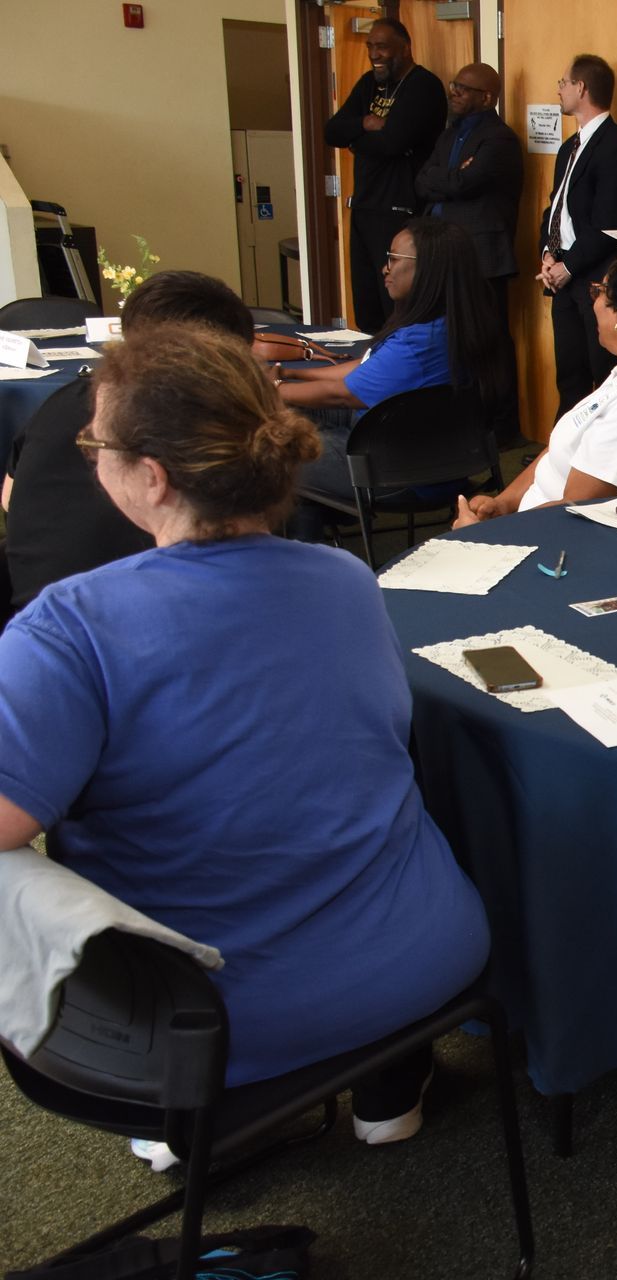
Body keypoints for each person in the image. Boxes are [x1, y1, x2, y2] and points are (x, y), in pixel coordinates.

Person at [0, 325, 490, 1162]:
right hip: (420, 956)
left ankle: (192, 1127)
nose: (89, 458)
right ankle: (390, 1087)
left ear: (152, 476)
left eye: (95, 444)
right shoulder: (349, 580)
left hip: (214, 1014)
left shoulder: (70, 629)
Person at [3, 271, 252, 612]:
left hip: (32, 609)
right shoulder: (199, 419)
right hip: (128, 619)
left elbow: (10, 499)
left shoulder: (61, 401)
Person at [455, 237, 617, 525]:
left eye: (600, 292)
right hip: (533, 522)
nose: (594, 302)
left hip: (552, 539)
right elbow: (563, 448)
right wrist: (504, 503)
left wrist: (483, 534)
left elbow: (577, 511)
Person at [277, 217, 511, 530]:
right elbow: (366, 370)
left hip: (400, 474)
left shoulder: (418, 343)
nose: (384, 268)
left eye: (393, 259)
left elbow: (341, 394)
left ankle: (309, 533)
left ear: (428, 269)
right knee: (295, 420)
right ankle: (317, 523)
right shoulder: (457, 325)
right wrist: (291, 374)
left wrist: (271, 387)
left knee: (267, 445)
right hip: (448, 459)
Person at [323, 17, 446, 329]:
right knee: (366, 308)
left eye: (382, 47)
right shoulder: (369, 84)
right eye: (370, 47)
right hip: (365, 206)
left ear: (404, 49)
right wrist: (364, 124)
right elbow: (332, 131)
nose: (374, 54)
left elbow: (393, 142)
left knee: (396, 307)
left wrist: (356, 142)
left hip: (400, 210)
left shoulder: (423, 86)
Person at [539, 53, 617, 411]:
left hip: (594, 277)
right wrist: (548, 255)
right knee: (570, 376)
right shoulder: (569, 147)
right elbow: (555, 208)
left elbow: (610, 224)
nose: (559, 89)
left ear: (581, 88)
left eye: (563, 83)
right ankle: (565, 444)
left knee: (603, 374)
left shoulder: (616, 148)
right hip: (562, 274)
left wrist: (568, 267)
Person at [415, 62, 524, 328]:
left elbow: (464, 184)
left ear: (486, 98)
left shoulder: (500, 139)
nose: (453, 92)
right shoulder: (449, 135)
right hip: (440, 247)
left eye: (462, 89)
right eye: (454, 85)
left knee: (486, 333)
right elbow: (420, 182)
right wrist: (451, 177)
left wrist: (444, 178)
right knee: (446, 331)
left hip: (480, 253)